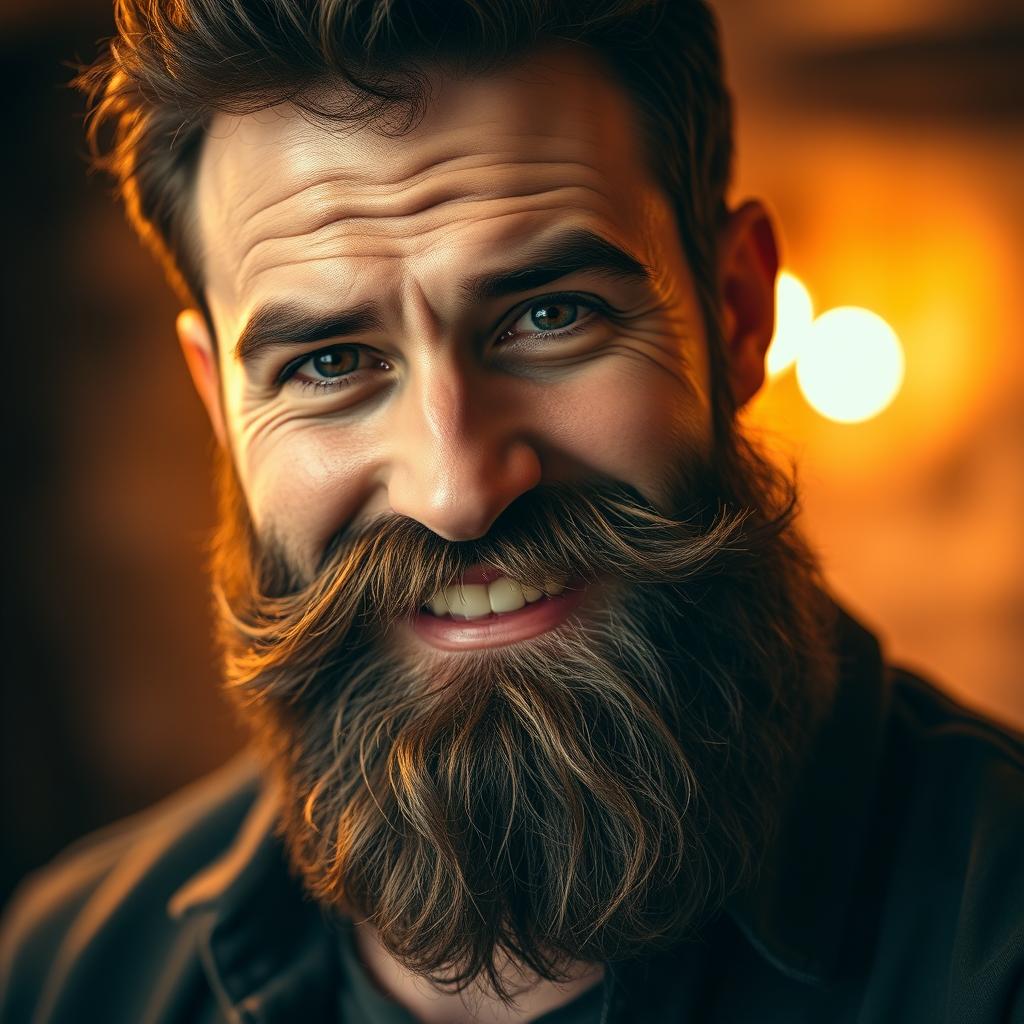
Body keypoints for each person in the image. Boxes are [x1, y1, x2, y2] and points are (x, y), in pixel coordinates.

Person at [2, 1, 1022, 1021]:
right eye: (329, 363)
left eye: (549, 315)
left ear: (737, 308)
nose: (456, 489)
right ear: (221, 407)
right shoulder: (68, 977)